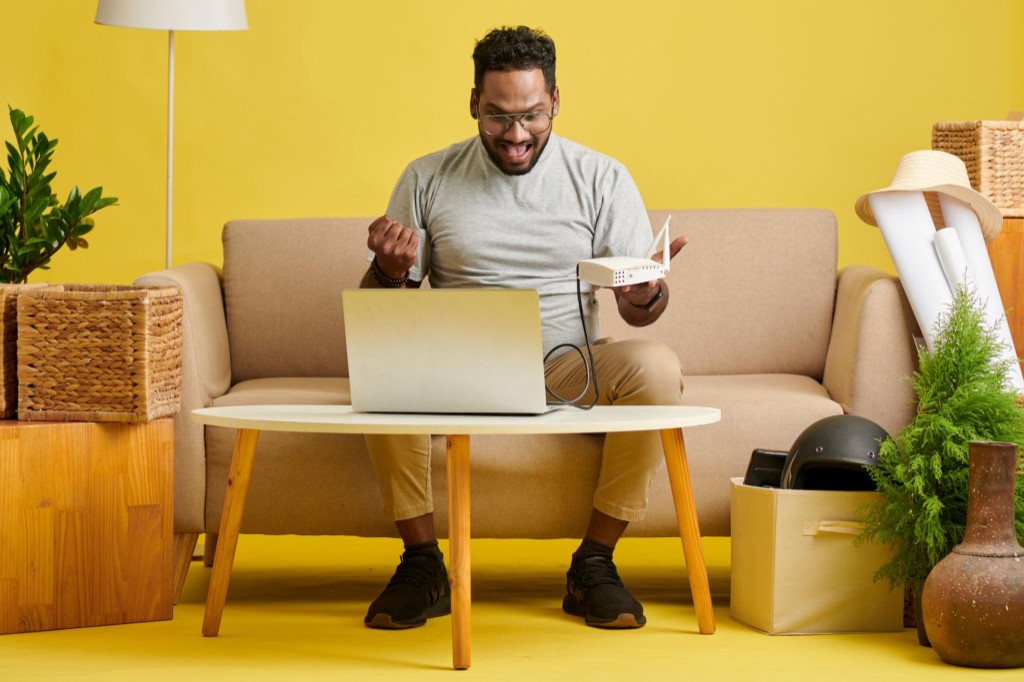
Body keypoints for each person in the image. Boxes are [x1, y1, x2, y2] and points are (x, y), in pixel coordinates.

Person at [359, 25, 687, 631]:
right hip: (461, 366)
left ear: (556, 101)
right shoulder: (427, 176)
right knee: (385, 370)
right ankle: (423, 564)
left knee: (659, 367)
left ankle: (594, 565)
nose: (515, 136)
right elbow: (385, 313)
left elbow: (640, 309)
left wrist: (647, 292)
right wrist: (388, 270)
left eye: (533, 117)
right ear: (474, 105)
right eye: (497, 118)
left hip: (568, 362)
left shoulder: (601, 177)